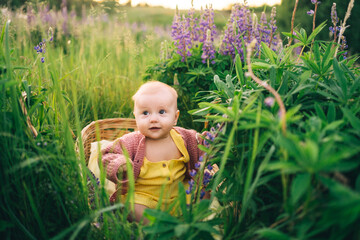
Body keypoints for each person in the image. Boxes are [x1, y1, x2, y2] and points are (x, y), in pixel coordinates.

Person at [101, 81, 209, 224]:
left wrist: (213, 142)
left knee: (204, 192)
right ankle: (158, 227)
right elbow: (108, 155)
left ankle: (194, 220)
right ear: (136, 117)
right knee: (130, 206)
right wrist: (120, 164)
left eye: (162, 112)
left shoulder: (185, 138)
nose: (153, 119)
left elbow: (202, 143)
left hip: (180, 195)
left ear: (175, 117)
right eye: (145, 113)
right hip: (145, 198)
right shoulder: (131, 141)